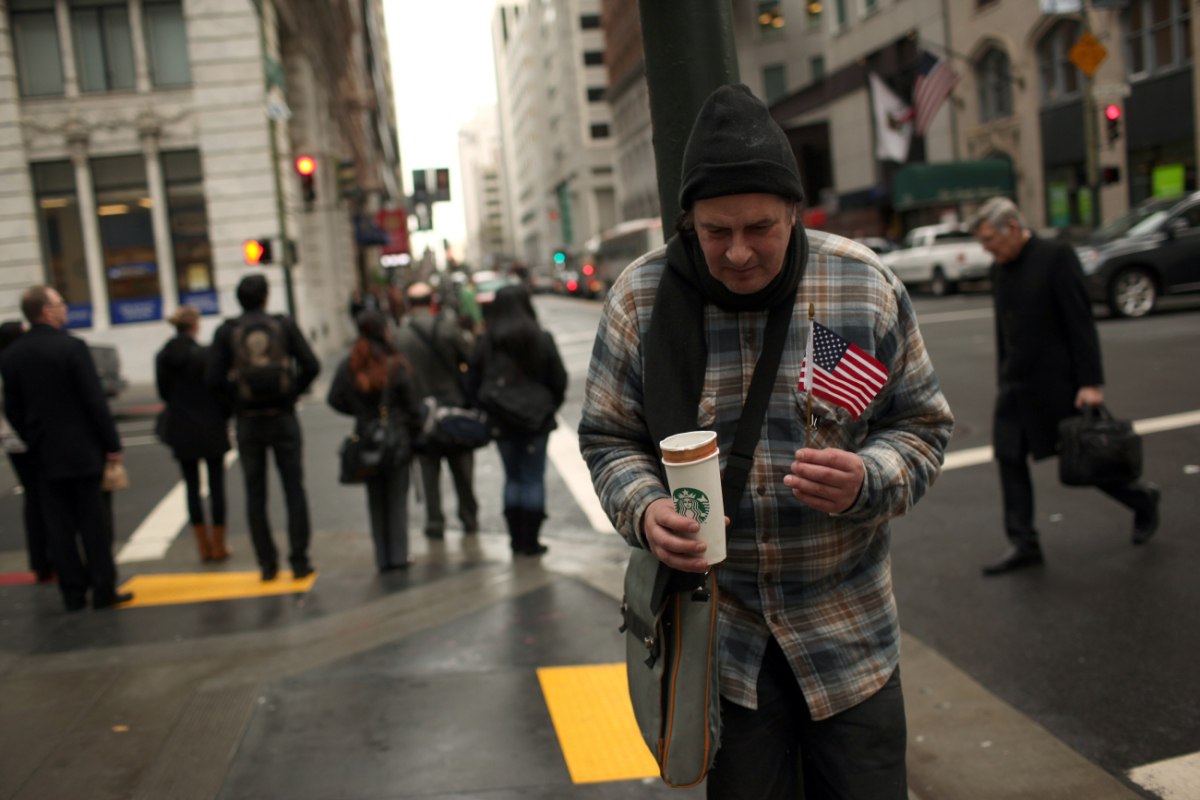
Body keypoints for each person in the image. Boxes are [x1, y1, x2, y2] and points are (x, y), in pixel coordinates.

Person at [578, 84, 954, 798]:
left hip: (850, 639)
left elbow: (923, 426)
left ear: (794, 214)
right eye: (717, 231)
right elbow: (608, 438)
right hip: (721, 646)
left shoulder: (861, 285)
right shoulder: (639, 298)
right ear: (688, 221)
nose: (740, 252)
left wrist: (869, 478)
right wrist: (643, 509)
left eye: (761, 227)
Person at [969, 197, 1161, 576]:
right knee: (1009, 457)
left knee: (1085, 460)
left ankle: (1141, 498)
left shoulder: (1056, 257)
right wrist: (1003, 375)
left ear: (1011, 227)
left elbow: (1080, 321)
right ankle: (1023, 542)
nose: (986, 248)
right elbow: (1004, 330)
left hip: (1056, 383)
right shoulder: (1000, 268)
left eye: (990, 238)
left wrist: (1091, 382)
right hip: (1015, 383)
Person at [0, 286, 131, 611]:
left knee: (57, 522)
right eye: (59, 303)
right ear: (46, 311)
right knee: (93, 521)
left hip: (42, 450)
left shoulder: (12, 355)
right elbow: (93, 401)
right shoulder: (72, 347)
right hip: (81, 448)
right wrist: (110, 444)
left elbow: (12, 406)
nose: (64, 308)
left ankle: (72, 591)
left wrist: (32, 436)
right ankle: (103, 587)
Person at [207, 274, 320, 581]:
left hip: (249, 421)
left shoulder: (227, 332)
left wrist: (236, 404)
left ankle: (267, 563)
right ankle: (299, 560)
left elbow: (213, 378)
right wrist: (292, 393)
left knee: (255, 494)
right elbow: (311, 365)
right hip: (282, 416)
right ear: (265, 297)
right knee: (294, 488)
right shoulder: (282, 325)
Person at [467, 284, 567, 556]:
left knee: (512, 478)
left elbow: (472, 383)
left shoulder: (487, 341)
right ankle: (531, 542)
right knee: (533, 478)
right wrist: (548, 407)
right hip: (537, 421)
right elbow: (559, 379)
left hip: (502, 420)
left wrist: (488, 410)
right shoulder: (540, 337)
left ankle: (515, 540)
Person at [328, 310, 423, 572]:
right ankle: (398, 554)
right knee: (396, 498)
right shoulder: (395, 363)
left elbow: (334, 398)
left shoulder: (351, 364)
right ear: (383, 330)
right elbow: (413, 406)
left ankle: (382, 557)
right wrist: (411, 427)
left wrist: (360, 413)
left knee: (376, 499)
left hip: (365, 437)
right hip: (396, 437)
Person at [394, 281, 479, 540]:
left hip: (422, 412)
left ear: (409, 304)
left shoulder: (401, 336)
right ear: (432, 301)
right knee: (462, 469)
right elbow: (471, 357)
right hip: (453, 408)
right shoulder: (446, 328)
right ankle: (468, 516)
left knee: (429, 470)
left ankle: (434, 521)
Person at [155, 305, 232, 563]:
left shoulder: (163, 356)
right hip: (210, 424)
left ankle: (203, 546)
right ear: (194, 325)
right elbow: (220, 388)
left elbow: (164, 392)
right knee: (216, 485)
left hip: (181, 425)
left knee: (191, 486)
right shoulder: (205, 355)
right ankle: (219, 544)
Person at [0, 320, 52, 582]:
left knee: (33, 498)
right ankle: (45, 557)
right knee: (42, 497)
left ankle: (40, 559)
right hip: (24, 439)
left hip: (11, 441)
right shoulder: (13, 363)